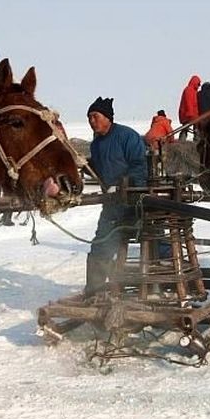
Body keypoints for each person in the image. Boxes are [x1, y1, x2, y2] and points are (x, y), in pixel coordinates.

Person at [84, 96, 148, 298]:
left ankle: (162, 283)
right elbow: (98, 168)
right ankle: (94, 291)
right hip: (112, 206)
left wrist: (122, 186)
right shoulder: (96, 144)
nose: (92, 121)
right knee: (101, 244)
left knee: (155, 243)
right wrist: (84, 166)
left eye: (95, 116)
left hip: (136, 203)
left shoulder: (127, 136)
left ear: (107, 117)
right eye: (89, 117)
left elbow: (139, 167)